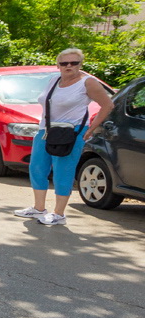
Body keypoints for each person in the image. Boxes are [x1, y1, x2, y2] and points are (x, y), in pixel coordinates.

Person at [15, 48, 113, 226]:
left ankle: (58, 214)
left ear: (80, 64)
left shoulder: (87, 83)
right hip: (46, 130)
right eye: (64, 63)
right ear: (58, 65)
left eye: (74, 63)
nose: (69, 66)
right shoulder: (54, 80)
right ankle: (38, 208)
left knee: (63, 171)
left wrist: (91, 129)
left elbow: (107, 105)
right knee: (37, 168)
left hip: (71, 132)